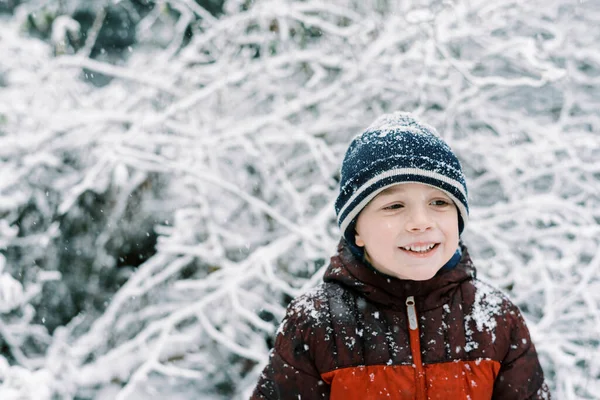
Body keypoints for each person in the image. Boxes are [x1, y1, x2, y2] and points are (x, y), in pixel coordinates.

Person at [251, 112, 551, 399]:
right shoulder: (316, 324)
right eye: (394, 206)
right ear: (357, 231)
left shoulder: (494, 318)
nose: (421, 221)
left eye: (439, 202)